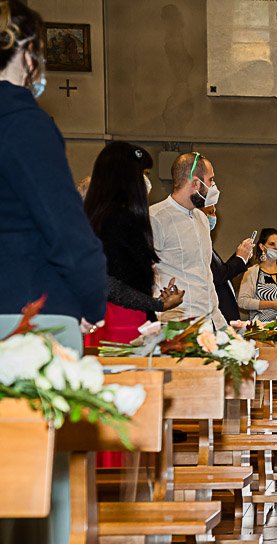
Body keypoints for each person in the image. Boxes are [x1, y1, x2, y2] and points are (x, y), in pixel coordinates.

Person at [0, 0, 106, 329]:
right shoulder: (24, 124)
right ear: (29, 50)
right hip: (25, 309)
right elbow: (64, 228)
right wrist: (91, 301)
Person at [83, 142, 184, 345]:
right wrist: (157, 304)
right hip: (122, 323)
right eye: (143, 174)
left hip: (109, 320)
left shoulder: (95, 218)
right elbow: (112, 284)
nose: (146, 181)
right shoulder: (120, 220)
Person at [150, 152, 226, 328]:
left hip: (210, 318)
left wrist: (222, 327)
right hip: (178, 322)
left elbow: (205, 274)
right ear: (196, 183)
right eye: (211, 180)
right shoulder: (156, 217)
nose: (214, 186)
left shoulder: (201, 218)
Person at [202, 204, 254, 323]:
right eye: (210, 212)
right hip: (213, 316)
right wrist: (240, 259)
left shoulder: (208, 245)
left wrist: (241, 256)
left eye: (214, 213)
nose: (214, 217)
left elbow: (222, 271)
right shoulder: (200, 246)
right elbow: (218, 276)